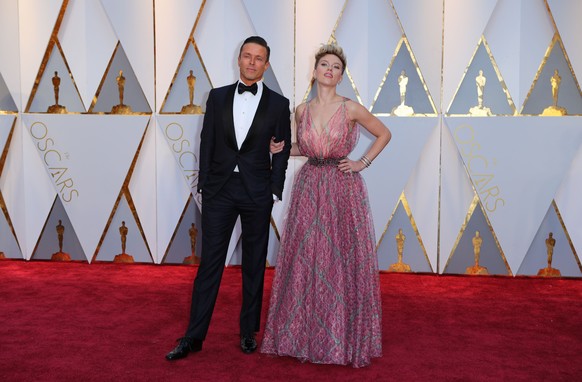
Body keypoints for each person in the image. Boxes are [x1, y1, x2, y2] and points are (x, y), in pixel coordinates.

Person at [262, 43, 391, 368]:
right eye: (324, 65)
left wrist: (362, 162)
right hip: (309, 186)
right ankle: (301, 334)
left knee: (338, 259)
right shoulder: (302, 111)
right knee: (307, 258)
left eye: (335, 67)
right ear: (315, 71)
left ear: (341, 75)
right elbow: (303, 148)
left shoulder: (351, 109)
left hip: (342, 188)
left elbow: (384, 134)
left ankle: (340, 335)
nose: (329, 70)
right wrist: (281, 148)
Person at [165, 36, 292, 361]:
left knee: (253, 265)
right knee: (210, 264)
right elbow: (206, 141)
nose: (252, 62)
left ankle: (248, 332)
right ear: (239, 59)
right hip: (220, 191)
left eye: (259, 58)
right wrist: (205, 185)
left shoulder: (279, 104)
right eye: (247, 56)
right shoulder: (217, 97)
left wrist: (274, 190)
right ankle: (193, 337)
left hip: (257, 193)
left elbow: (283, 147)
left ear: (266, 64)